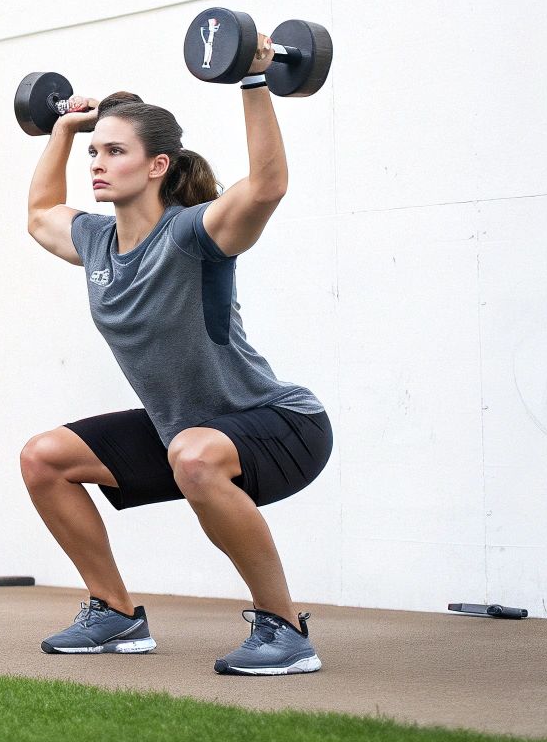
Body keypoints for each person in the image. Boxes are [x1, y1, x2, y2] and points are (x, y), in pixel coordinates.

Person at [19, 35, 333, 676]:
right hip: (184, 437)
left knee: (192, 451)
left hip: (280, 427)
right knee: (43, 458)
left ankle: (285, 629)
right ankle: (115, 615)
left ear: (158, 165)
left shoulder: (194, 233)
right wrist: (63, 128)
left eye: (113, 151)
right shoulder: (97, 242)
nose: (96, 163)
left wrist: (255, 80)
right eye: (94, 151)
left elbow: (267, 188)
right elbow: (39, 213)